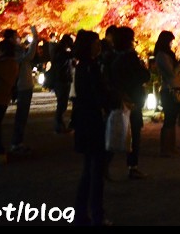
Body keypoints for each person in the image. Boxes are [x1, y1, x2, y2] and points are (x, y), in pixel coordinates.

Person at [71, 30, 112, 226]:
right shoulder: (91, 67)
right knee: (96, 170)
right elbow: (99, 94)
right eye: (96, 43)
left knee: (89, 169)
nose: (99, 45)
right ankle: (97, 214)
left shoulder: (82, 66)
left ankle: (81, 213)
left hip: (84, 120)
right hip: (93, 121)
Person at [109, 26, 150, 180]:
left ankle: (105, 165)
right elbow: (143, 76)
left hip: (118, 98)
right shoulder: (131, 57)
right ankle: (132, 166)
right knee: (134, 133)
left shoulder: (112, 57)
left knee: (117, 131)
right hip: (132, 99)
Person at [154, 30, 180, 157]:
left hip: (172, 89)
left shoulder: (165, 55)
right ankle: (166, 149)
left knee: (172, 120)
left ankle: (171, 148)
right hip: (169, 90)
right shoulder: (162, 56)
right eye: (170, 41)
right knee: (169, 120)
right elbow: (172, 73)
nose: (172, 44)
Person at [9, 25, 39, 154]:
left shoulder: (17, 50)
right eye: (16, 36)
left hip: (25, 85)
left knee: (22, 116)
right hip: (22, 86)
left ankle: (18, 141)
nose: (18, 38)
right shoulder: (13, 52)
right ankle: (16, 143)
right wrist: (35, 37)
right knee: (21, 116)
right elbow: (29, 56)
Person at [51, 34, 74, 134]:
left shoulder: (59, 51)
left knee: (62, 104)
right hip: (62, 80)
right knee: (62, 104)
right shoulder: (62, 53)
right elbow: (73, 54)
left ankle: (60, 125)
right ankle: (59, 126)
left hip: (60, 80)